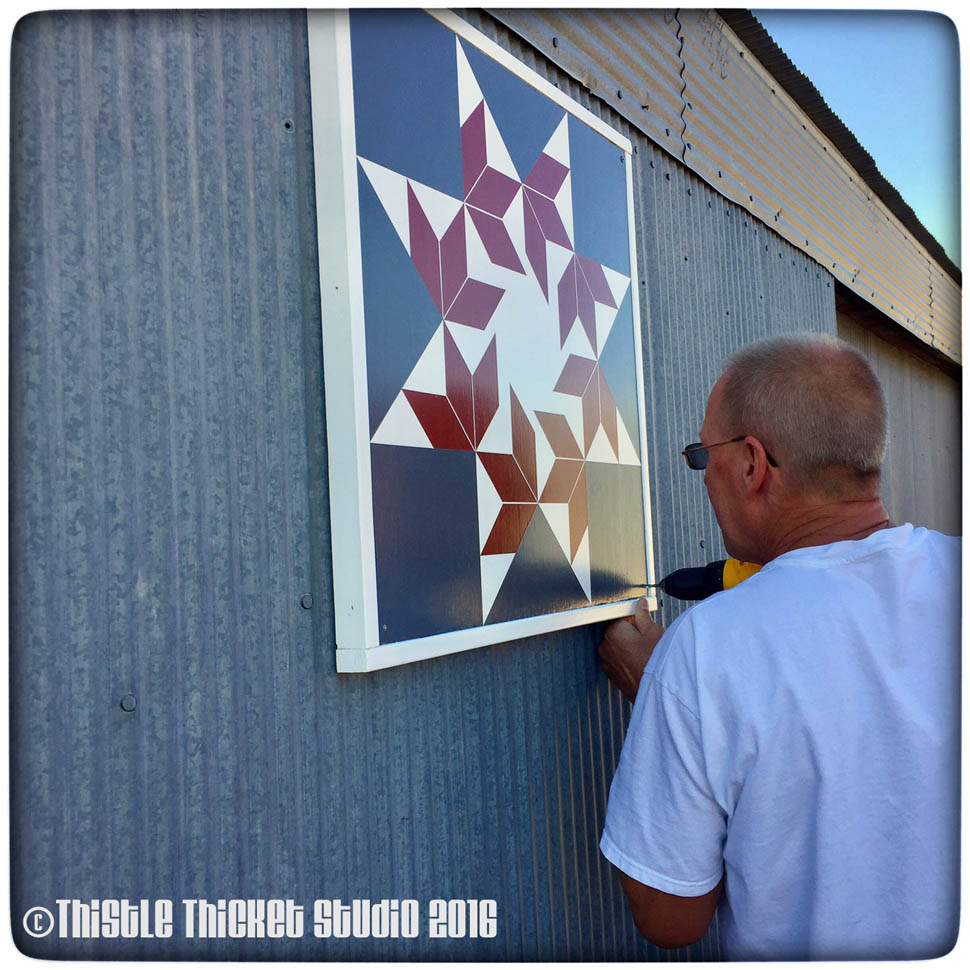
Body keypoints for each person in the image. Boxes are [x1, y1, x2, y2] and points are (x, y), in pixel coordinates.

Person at [597, 334, 960, 961]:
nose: (704, 475)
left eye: (700, 455)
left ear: (751, 464)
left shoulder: (703, 652)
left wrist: (661, 693)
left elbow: (670, 917)